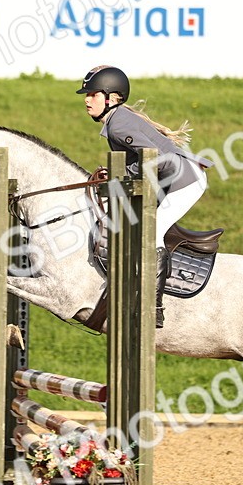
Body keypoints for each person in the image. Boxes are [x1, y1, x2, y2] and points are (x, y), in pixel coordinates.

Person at [76, 65, 212, 329]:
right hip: (171, 176)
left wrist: (122, 173)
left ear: (111, 97)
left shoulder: (118, 125)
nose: (87, 99)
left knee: (152, 232)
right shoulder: (117, 120)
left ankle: (154, 307)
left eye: (93, 94)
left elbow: (155, 158)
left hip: (184, 181)